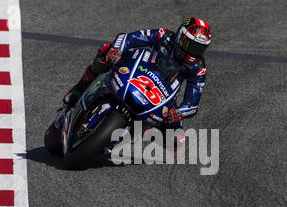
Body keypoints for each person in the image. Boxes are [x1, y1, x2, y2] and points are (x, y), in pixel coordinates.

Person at [59, 17, 211, 129]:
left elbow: (192, 103)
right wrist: (116, 50)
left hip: (162, 93)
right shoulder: (163, 36)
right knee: (105, 54)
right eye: (191, 45)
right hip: (135, 69)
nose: (194, 52)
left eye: (199, 48)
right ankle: (78, 91)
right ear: (181, 37)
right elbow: (128, 38)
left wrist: (179, 113)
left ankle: (134, 133)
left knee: (177, 141)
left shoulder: (198, 67)